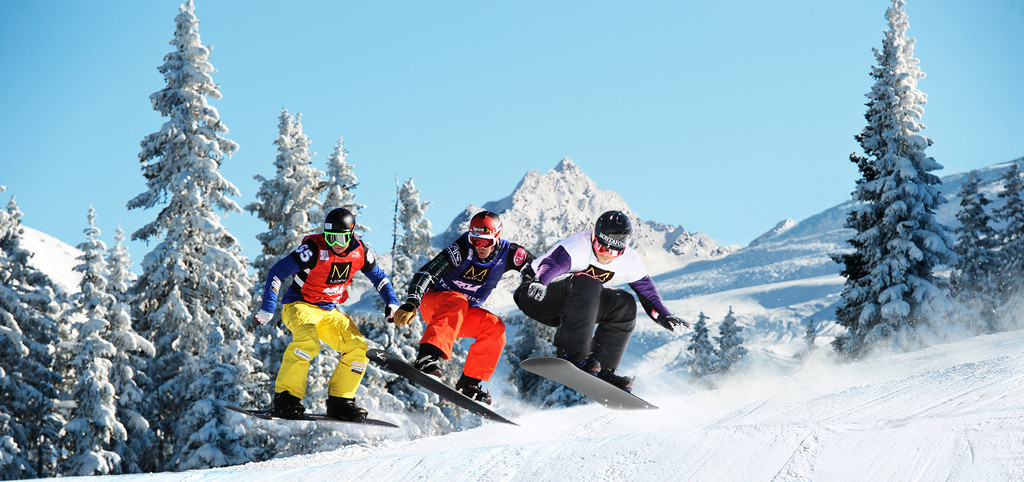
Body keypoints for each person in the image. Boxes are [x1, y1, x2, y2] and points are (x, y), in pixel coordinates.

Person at [513, 210, 689, 392]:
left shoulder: (628, 259)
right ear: (594, 237)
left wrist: (663, 316)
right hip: (535, 294)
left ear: (622, 249)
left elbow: (647, 292)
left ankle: (602, 368)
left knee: (624, 303)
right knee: (588, 282)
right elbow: (552, 264)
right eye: (601, 247)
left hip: (572, 308)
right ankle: (572, 355)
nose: (605, 254)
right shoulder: (578, 245)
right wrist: (540, 281)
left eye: (613, 251)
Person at [254, 208, 400, 421]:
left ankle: (341, 402)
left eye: (341, 238)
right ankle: (287, 399)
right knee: (307, 342)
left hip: (329, 312)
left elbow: (380, 278)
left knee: (358, 349)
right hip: (299, 306)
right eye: (330, 238)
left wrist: (392, 302)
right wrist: (268, 306)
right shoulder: (314, 249)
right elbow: (277, 271)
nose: (336, 244)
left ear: (351, 235)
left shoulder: (361, 252)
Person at [392, 211, 535, 404]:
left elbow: (539, 267)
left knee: (495, 328)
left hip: (460, 315)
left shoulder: (510, 254)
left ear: (497, 238)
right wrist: (412, 302)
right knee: (458, 300)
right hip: (435, 305)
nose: (479, 246)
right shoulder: (462, 249)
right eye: (475, 240)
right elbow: (427, 273)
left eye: (485, 242)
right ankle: (426, 357)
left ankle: (469, 384)